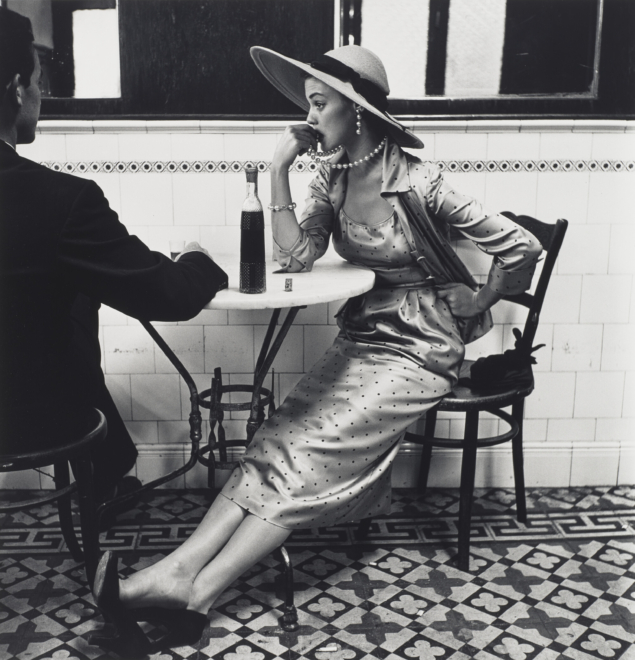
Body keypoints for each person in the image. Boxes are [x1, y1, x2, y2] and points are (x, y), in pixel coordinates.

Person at [88, 44, 542, 655]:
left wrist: (480, 296)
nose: (308, 117)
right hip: (366, 334)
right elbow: (295, 256)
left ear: (356, 112)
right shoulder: (330, 174)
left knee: (308, 450)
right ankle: (181, 580)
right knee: (278, 436)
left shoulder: (421, 180)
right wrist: (279, 170)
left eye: (319, 104)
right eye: (308, 104)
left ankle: (198, 586)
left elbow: (520, 249)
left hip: (422, 347)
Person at [0, 9, 228, 509]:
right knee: (75, 291)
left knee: (67, 293)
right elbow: (169, 295)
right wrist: (199, 260)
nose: (40, 96)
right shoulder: (60, 200)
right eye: (38, 82)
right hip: (26, 419)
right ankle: (106, 463)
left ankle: (108, 464)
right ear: (17, 87)